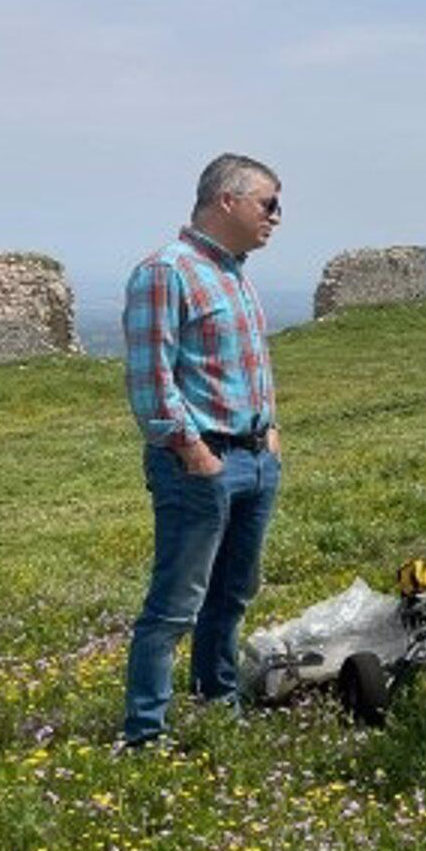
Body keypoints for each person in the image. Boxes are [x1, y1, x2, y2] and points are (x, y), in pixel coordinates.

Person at [120, 153, 285, 747]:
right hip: (202, 463)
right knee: (175, 604)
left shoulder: (234, 271)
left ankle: (218, 701)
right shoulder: (167, 271)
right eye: (269, 203)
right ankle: (145, 732)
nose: (276, 217)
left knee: (232, 594)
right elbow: (150, 379)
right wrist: (193, 451)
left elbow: (246, 366)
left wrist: (270, 432)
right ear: (228, 201)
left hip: (254, 458)